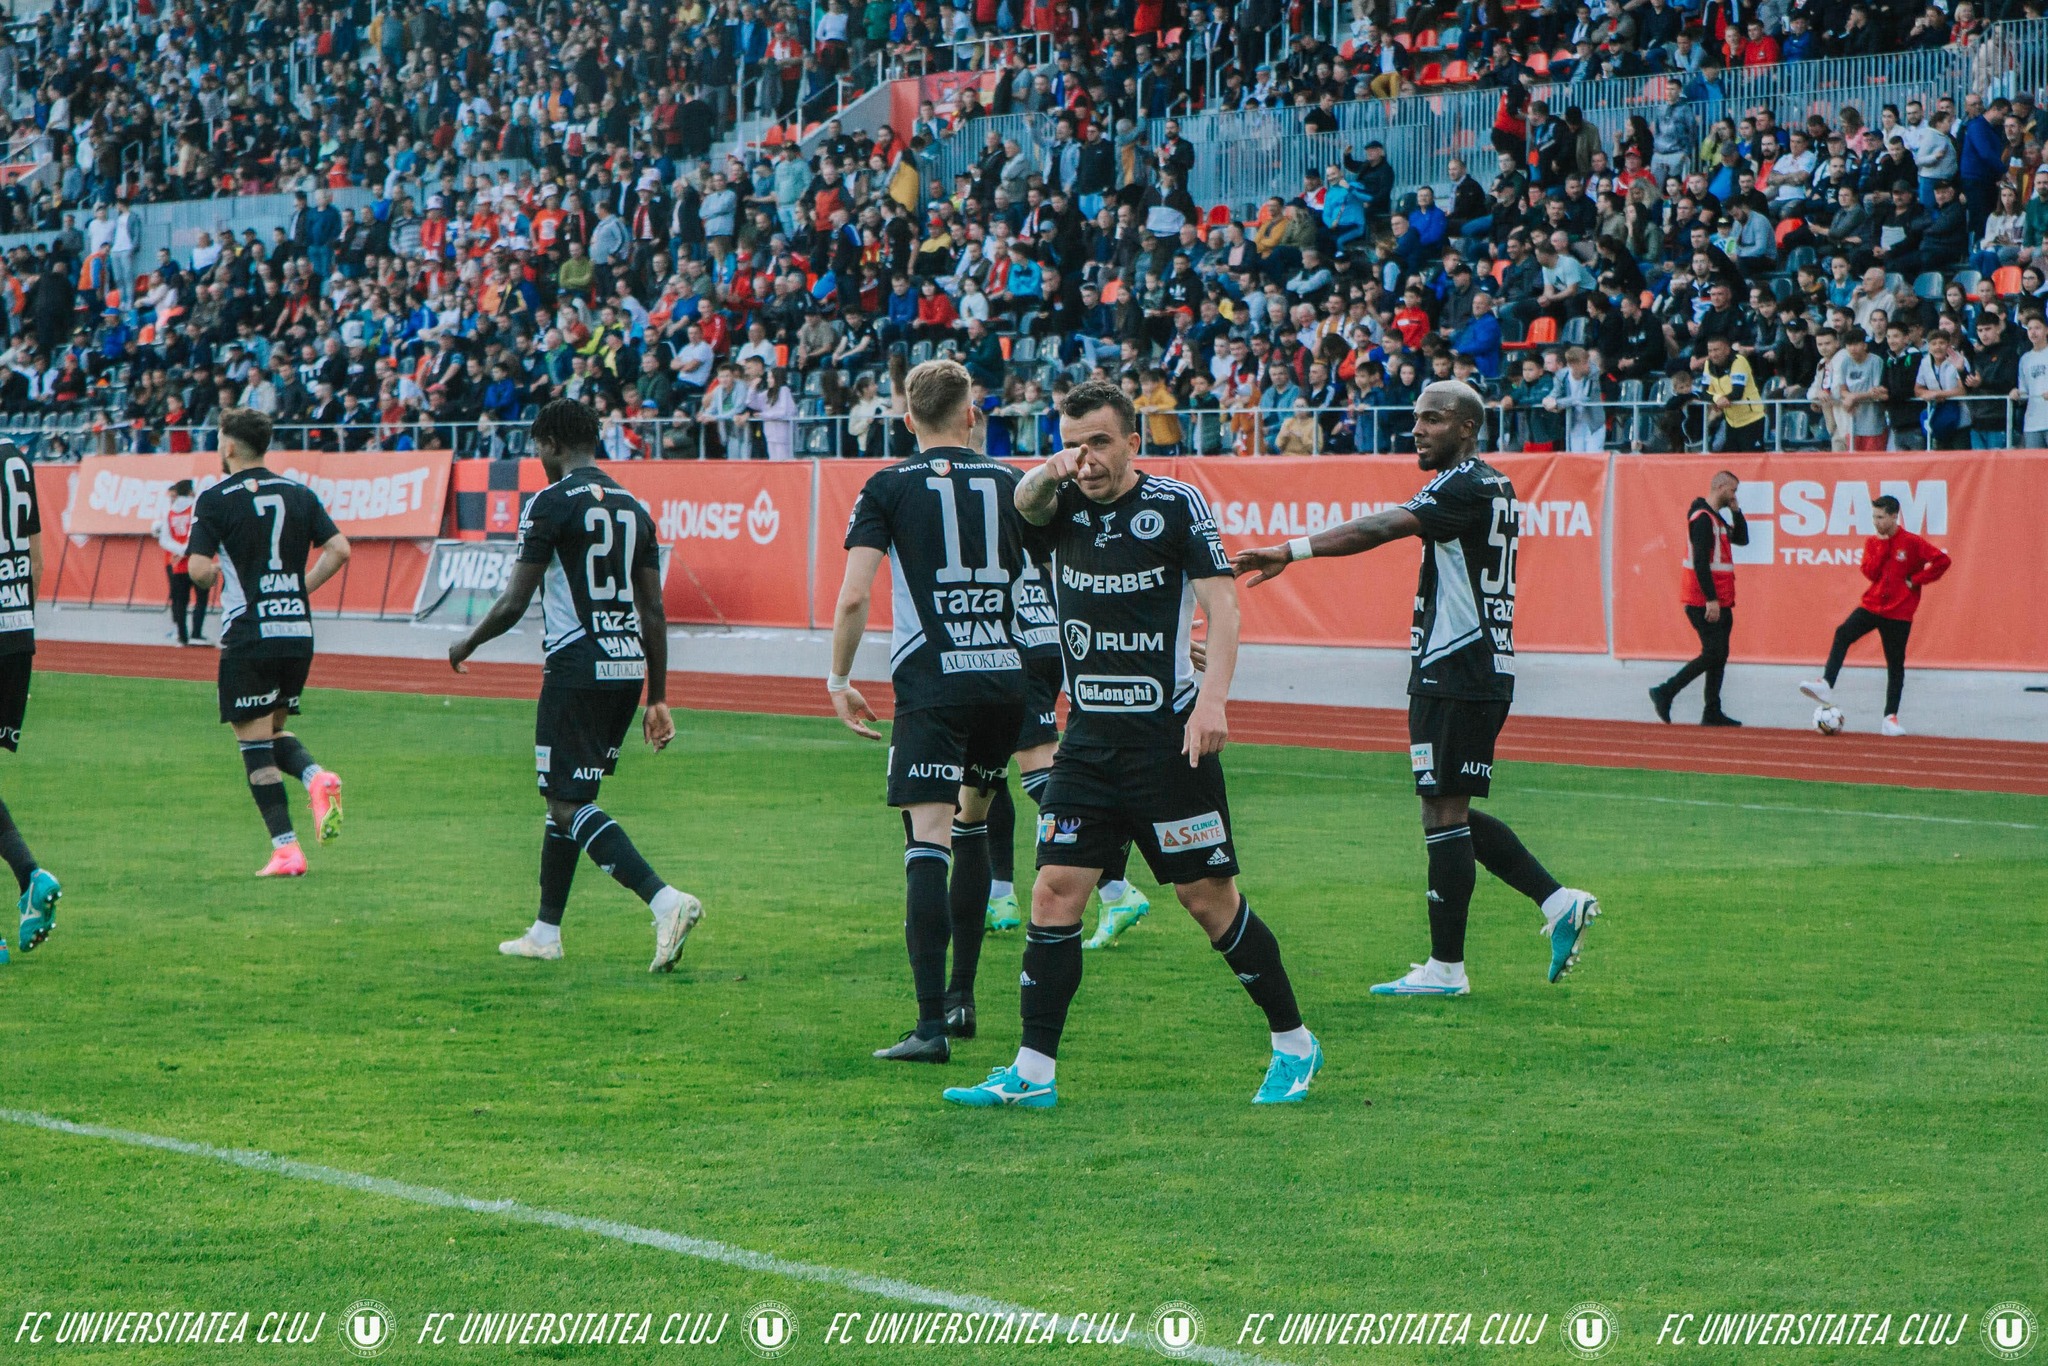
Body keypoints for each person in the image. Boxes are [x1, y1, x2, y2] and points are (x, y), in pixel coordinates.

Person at [944, 379, 1321, 1109]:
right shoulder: (1061, 507)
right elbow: (1024, 505)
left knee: (1207, 902)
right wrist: (1048, 471)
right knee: (1055, 894)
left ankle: (1295, 1043)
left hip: (1167, 743)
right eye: (1075, 442)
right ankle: (1032, 1073)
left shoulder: (1176, 506)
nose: (1087, 457)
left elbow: (1222, 603)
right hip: (1087, 743)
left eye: (1100, 442)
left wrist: (1212, 702)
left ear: (1132, 442)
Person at [1233, 381, 1600, 999]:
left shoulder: (1458, 484)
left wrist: (1291, 551)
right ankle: (1556, 901)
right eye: (1415, 418)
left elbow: (1381, 527)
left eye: (1432, 418)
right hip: (1477, 663)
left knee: (1443, 811)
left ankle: (1447, 969)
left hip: (1456, 664)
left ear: (1465, 427)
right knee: (1446, 808)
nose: (1417, 429)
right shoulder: (1495, 483)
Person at [452, 398, 702, 970]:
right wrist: (657, 696)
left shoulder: (548, 502)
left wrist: (465, 644)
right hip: (625, 667)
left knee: (565, 801)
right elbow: (654, 612)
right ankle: (545, 931)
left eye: (538, 447)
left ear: (553, 444)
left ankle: (666, 901)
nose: (537, 458)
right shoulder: (635, 507)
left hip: (574, 665)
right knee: (568, 796)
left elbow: (515, 601)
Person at [829, 359, 1028, 1062]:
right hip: (1004, 678)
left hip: (934, 681)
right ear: (972, 416)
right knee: (975, 823)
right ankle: (964, 996)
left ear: (907, 419)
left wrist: (839, 677)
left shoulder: (886, 486)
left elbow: (854, 596)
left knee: (928, 837)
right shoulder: (1011, 482)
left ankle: (928, 1028)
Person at [185, 409, 350, 875]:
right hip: (296, 632)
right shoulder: (300, 493)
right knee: (272, 732)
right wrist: (297, 591)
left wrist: (209, 574)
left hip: (250, 632)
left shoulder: (216, 499)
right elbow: (340, 550)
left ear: (230, 446)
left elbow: (198, 568)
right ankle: (317, 779)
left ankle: (287, 849)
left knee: (253, 744)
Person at [1798, 494, 1951, 736]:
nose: (1876, 522)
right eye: (1873, 517)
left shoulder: (1912, 542)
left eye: (1880, 517)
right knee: (1843, 633)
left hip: (1899, 612)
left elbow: (1942, 561)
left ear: (1893, 516)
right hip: (1872, 605)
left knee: (1895, 665)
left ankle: (1890, 718)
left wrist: (1916, 580)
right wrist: (1881, 547)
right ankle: (1826, 683)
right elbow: (1870, 572)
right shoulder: (1872, 542)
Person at [0, 440, 60, 960]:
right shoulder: (16, 456)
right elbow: (36, 559)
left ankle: (31, 874)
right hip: (18, 631)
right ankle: (31, 877)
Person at [1648, 469, 1747, 727]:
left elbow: (1743, 539)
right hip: (1704, 600)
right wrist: (1710, 599)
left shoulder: (1716, 519)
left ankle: (1712, 710)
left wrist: (1736, 511)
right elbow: (1700, 562)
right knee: (1714, 653)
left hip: (1722, 598)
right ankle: (1666, 691)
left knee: (1719, 654)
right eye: (1732, 490)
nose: (1734, 495)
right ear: (1720, 487)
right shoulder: (1703, 519)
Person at [150, 478, 210, 646]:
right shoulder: (195, 508)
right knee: (201, 598)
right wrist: (187, 549)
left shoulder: (170, 513)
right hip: (197, 561)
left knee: (180, 601)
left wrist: (179, 550)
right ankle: (196, 633)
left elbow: (164, 539)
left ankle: (182, 636)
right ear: (190, 491)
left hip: (178, 565)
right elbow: (198, 531)